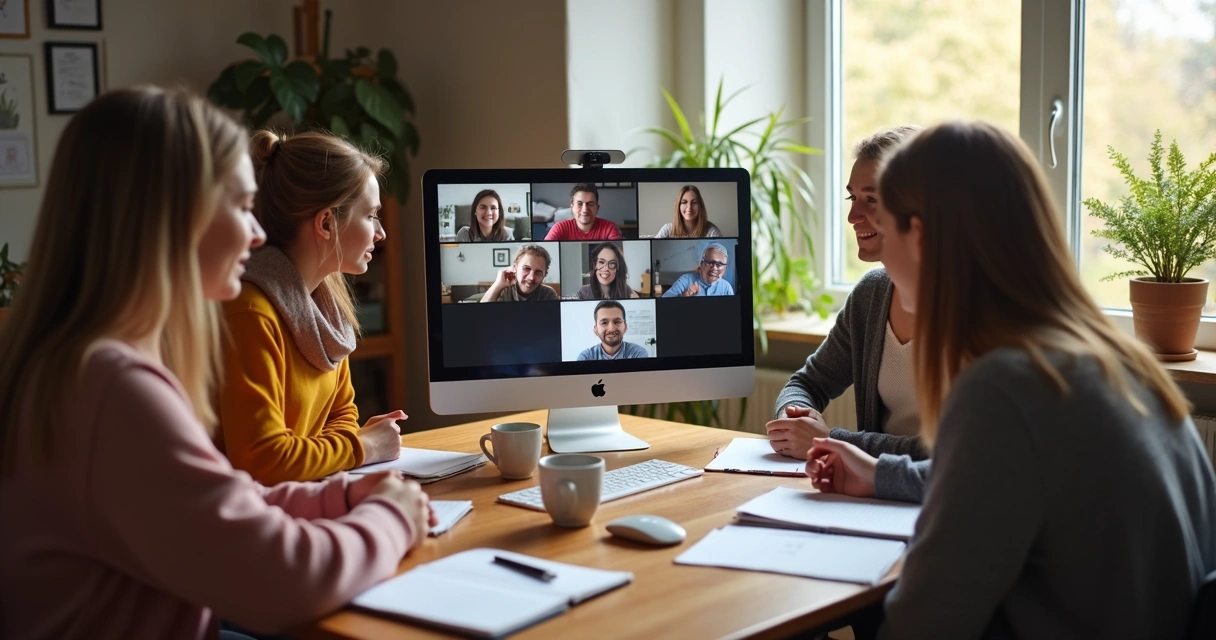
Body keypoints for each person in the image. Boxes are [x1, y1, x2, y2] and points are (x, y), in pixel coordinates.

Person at [0, 87, 434, 640]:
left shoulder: (83, 365)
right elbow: (286, 581)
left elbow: (220, 501)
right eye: (240, 206)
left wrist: (345, 495)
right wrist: (392, 517)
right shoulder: (113, 390)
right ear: (173, 220)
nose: (257, 234)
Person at [811, 121, 1216, 639]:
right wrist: (881, 475)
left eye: (885, 226)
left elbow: (925, 625)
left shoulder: (1003, 389)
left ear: (922, 236)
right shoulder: (1118, 361)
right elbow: (998, 482)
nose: (881, 253)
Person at [218, 130, 407, 485]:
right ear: (326, 223)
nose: (380, 233)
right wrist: (363, 447)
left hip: (302, 496)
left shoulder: (326, 309)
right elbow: (262, 459)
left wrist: (350, 445)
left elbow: (342, 415)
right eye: (370, 216)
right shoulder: (251, 313)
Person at [765, 126, 928, 503]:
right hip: (877, 497)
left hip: (926, 502)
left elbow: (952, 455)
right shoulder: (872, 294)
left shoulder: (973, 311)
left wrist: (832, 441)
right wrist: (796, 417)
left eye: (871, 199)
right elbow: (809, 382)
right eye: (853, 197)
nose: (854, 215)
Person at [481, 244, 558, 302]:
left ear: (545, 275)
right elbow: (481, 313)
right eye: (527, 268)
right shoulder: (504, 291)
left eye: (538, 272)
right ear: (515, 268)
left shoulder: (548, 294)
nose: (531, 278)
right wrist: (498, 285)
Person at [544, 183, 622, 240]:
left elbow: (619, 255)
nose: (585, 210)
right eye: (580, 204)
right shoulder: (560, 227)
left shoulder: (609, 228)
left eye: (590, 204)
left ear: (597, 208)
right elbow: (544, 252)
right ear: (572, 207)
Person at [577, 300, 649, 360]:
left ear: (625, 327)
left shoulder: (638, 353)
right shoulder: (586, 357)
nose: (611, 329)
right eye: (604, 323)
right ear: (595, 329)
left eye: (617, 322)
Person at [661, 243, 735, 297]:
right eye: (709, 263)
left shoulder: (726, 287)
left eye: (719, 264)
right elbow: (664, 302)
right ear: (701, 264)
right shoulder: (685, 280)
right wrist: (683, 297)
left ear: (725, 268)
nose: (714, 268)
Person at [576, 242, 640, 299]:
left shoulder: (629, 293)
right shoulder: (583, 293)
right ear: (594, 265)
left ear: (618, 268)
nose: (606, 268)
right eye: (601, 262)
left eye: (612, 264)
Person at [654, 185, 721, 238]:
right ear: (678, 206)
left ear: (700, 205)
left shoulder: (712, 231)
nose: (689, 207)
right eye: (684, 202)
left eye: (694, 202)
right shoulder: (667, 230)